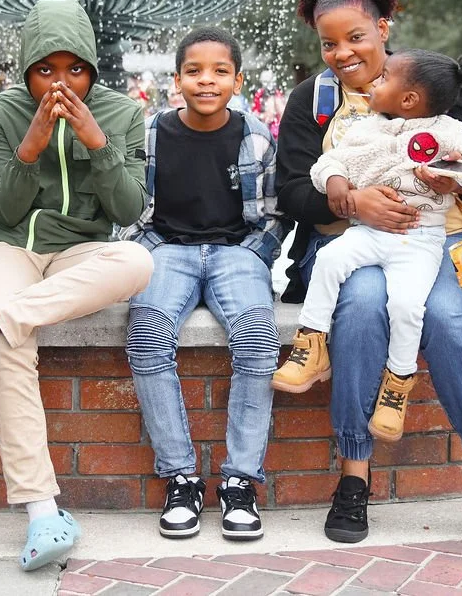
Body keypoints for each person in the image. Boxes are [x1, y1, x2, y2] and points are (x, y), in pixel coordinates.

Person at [277, 0, 462, 555]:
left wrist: (454, 182)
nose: (342, 53)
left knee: (447, 319)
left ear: (384, 28)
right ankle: (354, 475)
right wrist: (354, 199)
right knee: (362, 307)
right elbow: (292, 189)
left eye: (356, 38)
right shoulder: (311, 101)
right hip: (353, 241)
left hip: (442, 242)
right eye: (329, 43)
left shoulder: (438, 83)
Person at [0, 0, 154, 571]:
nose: (60, 82)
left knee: (138, 263)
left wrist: (97, 142)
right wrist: (30, 143)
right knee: (8, 344)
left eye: (73, 68)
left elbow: (129, 207)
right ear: (27, 66)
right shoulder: (1, 111)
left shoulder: (123, 112)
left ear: (91, 68)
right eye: (45, 70)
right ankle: (42, 512)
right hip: (12, 245)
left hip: (82, 249)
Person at [272, 50, 462, 444]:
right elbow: (330, 162)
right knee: (331, 258)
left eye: (382, 80)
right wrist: (336, 184)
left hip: (420, 242)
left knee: (407, 306)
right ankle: (310, 343)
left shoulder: (448, 134)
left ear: (409, 99)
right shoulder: (368, 129)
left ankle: (397, 385)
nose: (373, 84)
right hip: (368, 232)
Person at [122, 27, 282, 542]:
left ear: (237, 79)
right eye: (194, 71)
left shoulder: (256, 136)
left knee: (258, 338)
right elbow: (131, 210)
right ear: (177, 79)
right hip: (168, 250)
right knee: (147, 335)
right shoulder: (151, 134)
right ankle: (181, 477)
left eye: (219, 72)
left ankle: (240, 481)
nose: (206, 81)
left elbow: (275, 217)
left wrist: (252, 256)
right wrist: (144, 253)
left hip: (236, 252)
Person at [251, 69, 286, 140]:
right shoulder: (259, 94)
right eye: (265, 82)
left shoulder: (277, 94)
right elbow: (255, 114)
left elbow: (282, 113)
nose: (267, 84)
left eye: (269, 82)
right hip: (264, 129)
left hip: (276, 130)